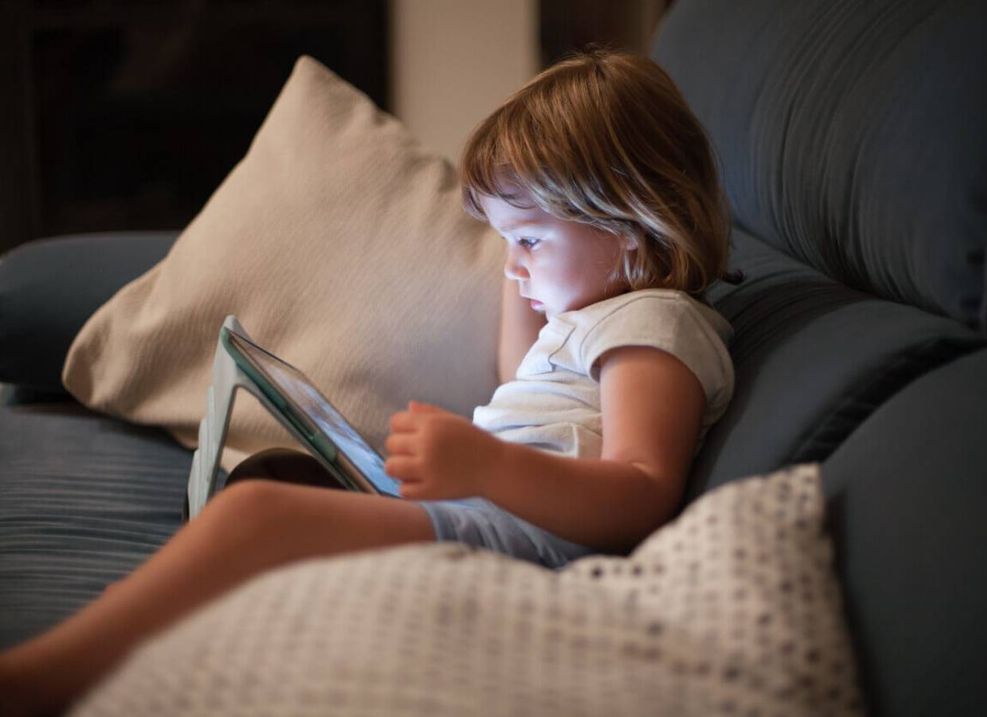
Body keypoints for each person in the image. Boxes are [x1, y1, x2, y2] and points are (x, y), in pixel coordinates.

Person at [0, 48, 735, 715]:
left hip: (514, 547)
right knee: (276, 479)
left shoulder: (656, 325)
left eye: (531, 241)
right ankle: (142, 626)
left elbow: (642, 489)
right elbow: (517, 369)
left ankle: (43, 678)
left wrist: (490, 464)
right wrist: (524, 260)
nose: (512, 264)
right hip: (482, 518)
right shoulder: (595, 316)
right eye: (507, 242)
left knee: (258, 515)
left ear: (631, 225)